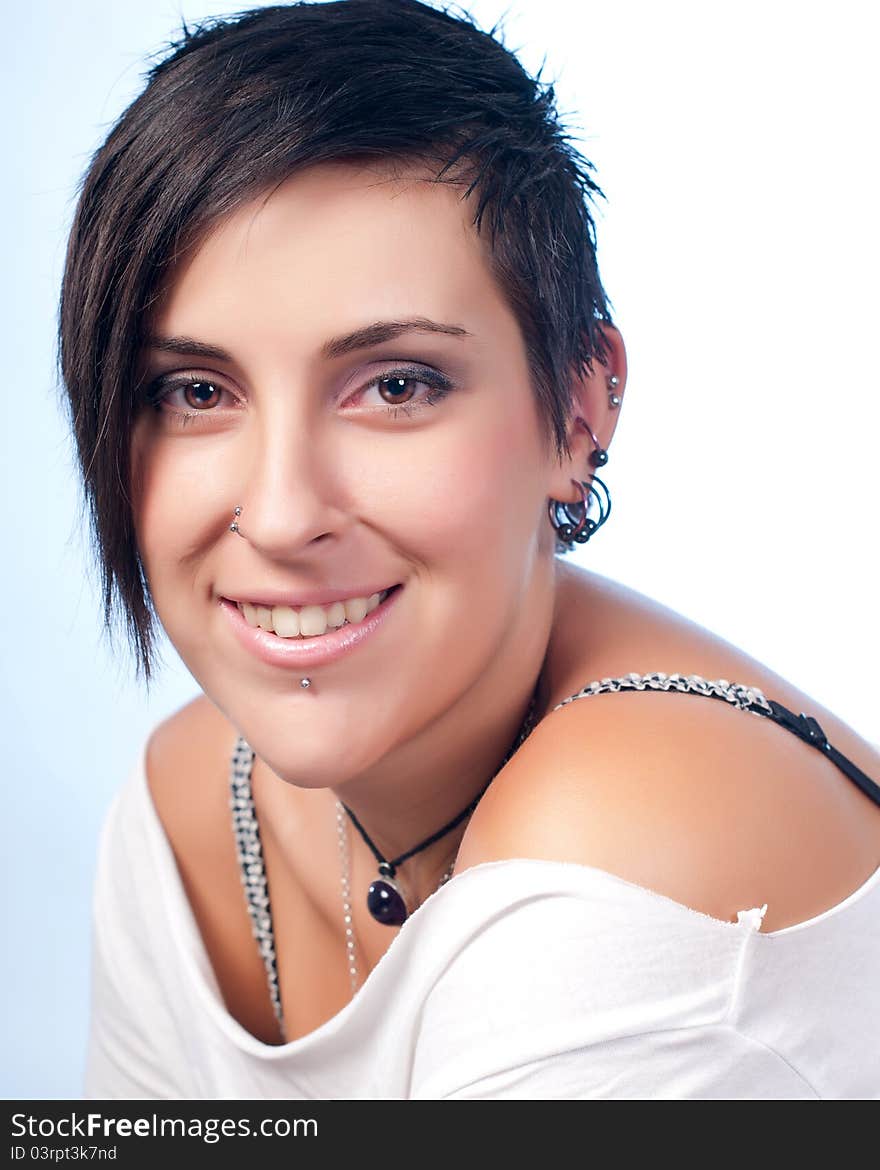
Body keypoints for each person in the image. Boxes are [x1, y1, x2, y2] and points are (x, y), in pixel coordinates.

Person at [60, 0, 880, 1099]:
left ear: (581, 409)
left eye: (397, 385)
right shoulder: (186, 811)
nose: (284, 510)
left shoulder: (632, 843)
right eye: (198, 392)